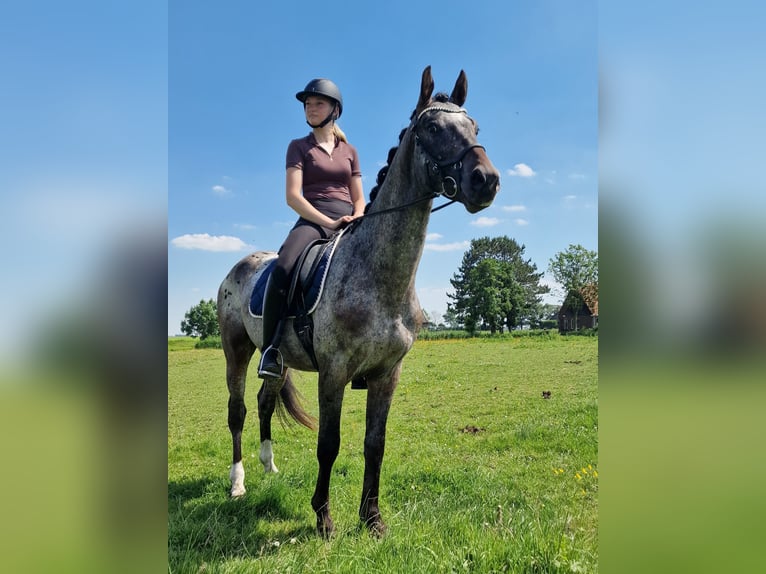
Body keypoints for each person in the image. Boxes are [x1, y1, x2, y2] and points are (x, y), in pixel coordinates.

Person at [258, 78, 366, 379]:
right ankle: (272, 351)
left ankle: (368, 354)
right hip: (314, 219)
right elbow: (293, 196)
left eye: (318, 102)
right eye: (308, 104)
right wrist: (329, 222)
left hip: (351, 219)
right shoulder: (298, 147)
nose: (311, 107)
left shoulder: (350, 151)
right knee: (283, 267)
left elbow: (359, 196)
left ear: (335, 110)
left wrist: (357, 216)